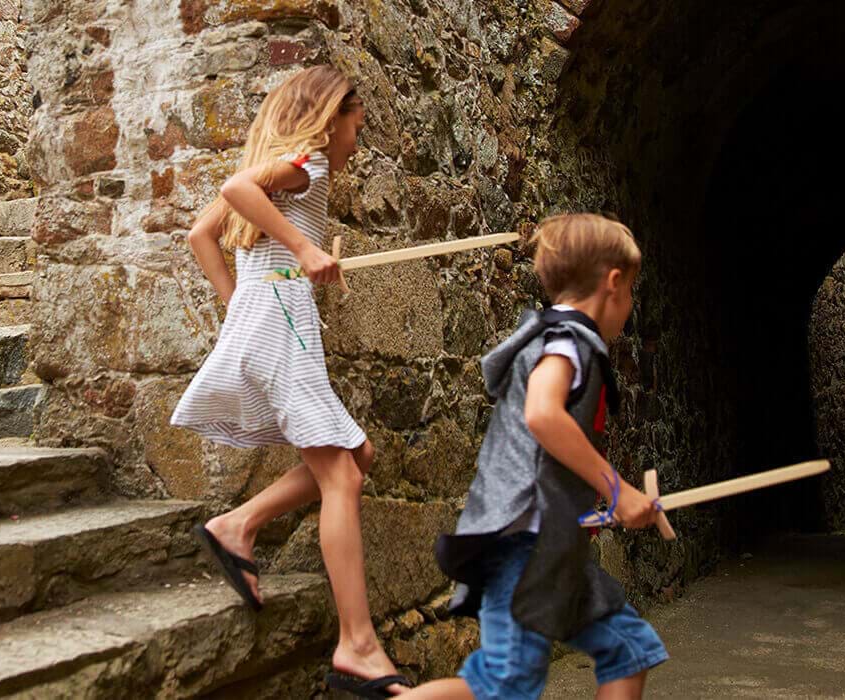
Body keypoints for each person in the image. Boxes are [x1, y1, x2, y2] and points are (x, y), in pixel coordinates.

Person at [170, 64, 411, 698]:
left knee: (357, 455)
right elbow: (235, 189)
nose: (358, 140)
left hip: (267, 314)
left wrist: (240, 307)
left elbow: (201, 234)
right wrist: (303, 252)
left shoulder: (281, 170)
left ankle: (237, 525)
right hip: (281, 321)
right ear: (332, 118)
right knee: (342, 477)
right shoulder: (312, 163)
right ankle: (358, 644)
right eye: (357, 125)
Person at [402, 213, 669, 700]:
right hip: (525, 549)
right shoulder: (568, 343)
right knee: (505, 683)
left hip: (549, 546)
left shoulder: (553, 335)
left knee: (630, 651)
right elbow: (543, 415)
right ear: (613, 283)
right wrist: (617, 489)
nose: (630, 306)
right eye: (630, 291)